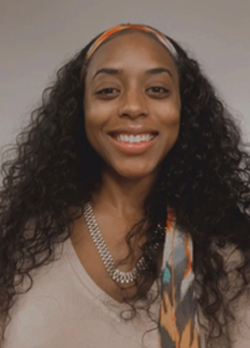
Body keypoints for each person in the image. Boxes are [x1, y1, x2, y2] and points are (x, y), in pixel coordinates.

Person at [0, 23, 250, 348]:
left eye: (157, 89)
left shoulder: (228, 253)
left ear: (184, 109)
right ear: (80, 109)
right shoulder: (13, 237)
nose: (133, 106)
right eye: (108, 90)